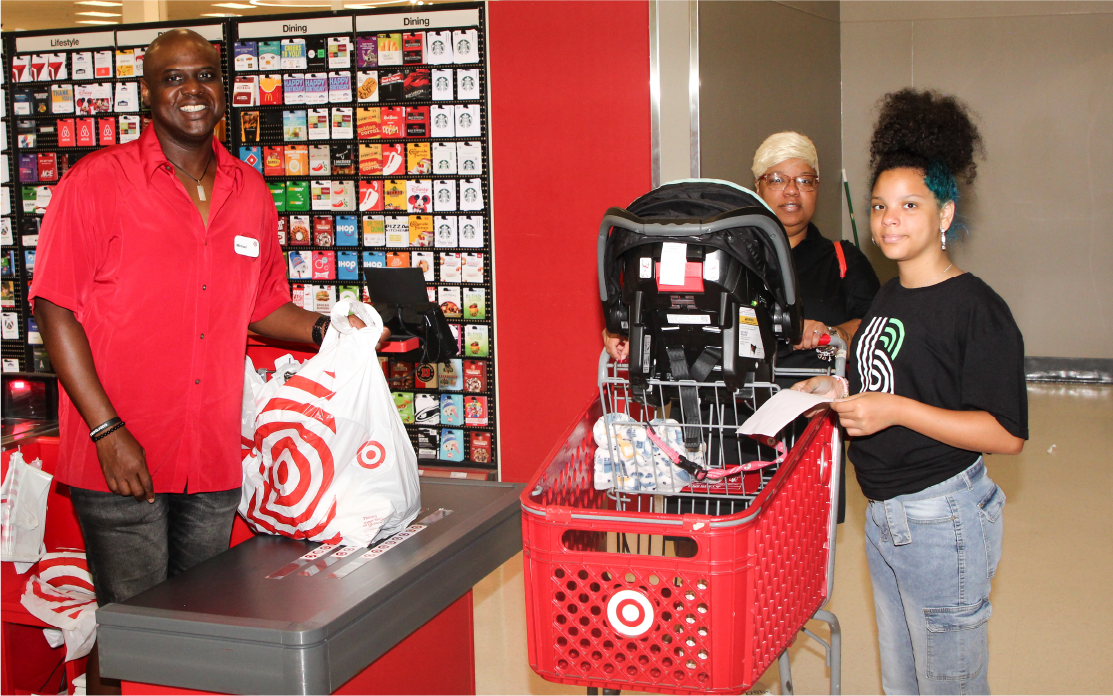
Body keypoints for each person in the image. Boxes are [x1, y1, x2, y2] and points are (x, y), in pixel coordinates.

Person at [29, 30, 380, 695]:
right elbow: (55, 309)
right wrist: (107, 430)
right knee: (136, 626)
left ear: (223, 90)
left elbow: (263, 307)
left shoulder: (249, 191)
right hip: (120, 452)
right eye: (172, 78)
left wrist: (340, 330)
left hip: (213, 455)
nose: (191, 90)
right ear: (146, 94)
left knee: (195, 627)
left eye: (203, 76)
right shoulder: (97, 183)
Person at [794, 88, 1027, 695]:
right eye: (878, 206)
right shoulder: (891, 295)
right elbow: (891, 376)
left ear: (944, 215)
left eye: (908, 205)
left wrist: (895, 410)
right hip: (887, 518)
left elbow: (1005, 433)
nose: (888, 220)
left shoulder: (975, 308)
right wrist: (838, 385)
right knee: (904, 686)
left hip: (940, 519)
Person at [603, 132, 879, 364]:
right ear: (758, 187)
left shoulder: (843, 260)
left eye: (805, 180)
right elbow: (668, 306)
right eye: (777, 179)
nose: (792, 190)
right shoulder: (721, 254)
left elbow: (878, 326)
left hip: (809, 413)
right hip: (719, 413)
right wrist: (622, 329)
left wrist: (833, 333)